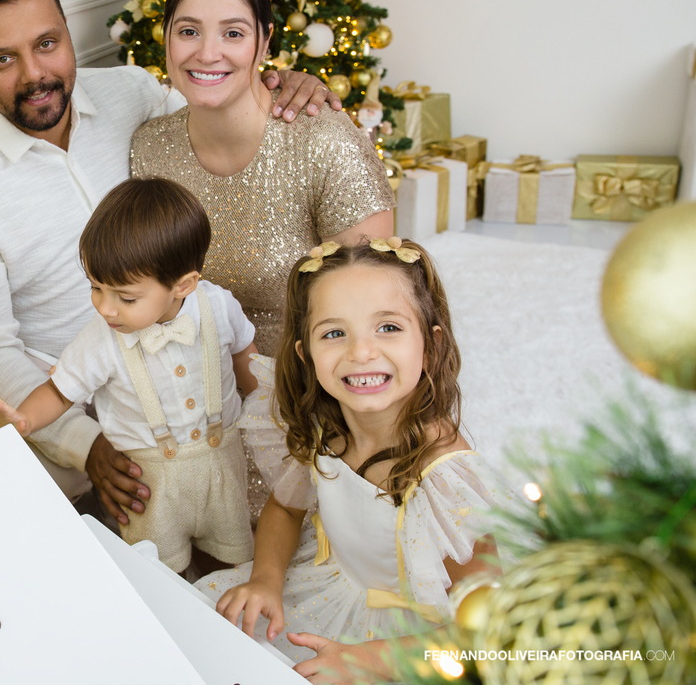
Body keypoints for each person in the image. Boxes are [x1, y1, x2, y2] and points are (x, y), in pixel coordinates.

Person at [0, 0, 338, 525]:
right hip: (81, 406)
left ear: (68, 31)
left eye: (48, 43)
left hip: (193, 370)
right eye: (2, 60)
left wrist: (278, 82)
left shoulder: (131, 94)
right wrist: (84, 444)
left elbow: (218, 119)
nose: (34, 74)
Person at [198, 238, 517, 683]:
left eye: (388, 327)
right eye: (334, 333)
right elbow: (285, 509)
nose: (361, 351)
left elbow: (492, 628)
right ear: (305, 354)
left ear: (431, 343)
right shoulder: (320, 428)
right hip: (331, 590)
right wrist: (267, 578)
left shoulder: (447, 478)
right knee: (210, 640)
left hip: (417, 644)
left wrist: (366, 660)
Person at [0, 178, 258, 573]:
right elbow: (59, 393)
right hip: (149, 483)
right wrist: (22, 420)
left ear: (183, 285)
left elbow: (246, 354)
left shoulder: (217, 306)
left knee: (231, 563)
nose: (106, 309)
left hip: (222, 472)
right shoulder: (101, 338)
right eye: (95, 288)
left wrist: (269, 405)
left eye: (125, 298)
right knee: (160, 574)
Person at [131, 0, 396, 357]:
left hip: (307, 385)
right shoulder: (149, 148)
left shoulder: (322, 140)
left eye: (233, 34)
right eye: (188, 31)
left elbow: (374, 309)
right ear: (165, 37)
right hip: (189, 385)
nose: (207, 53)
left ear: (265, 40)